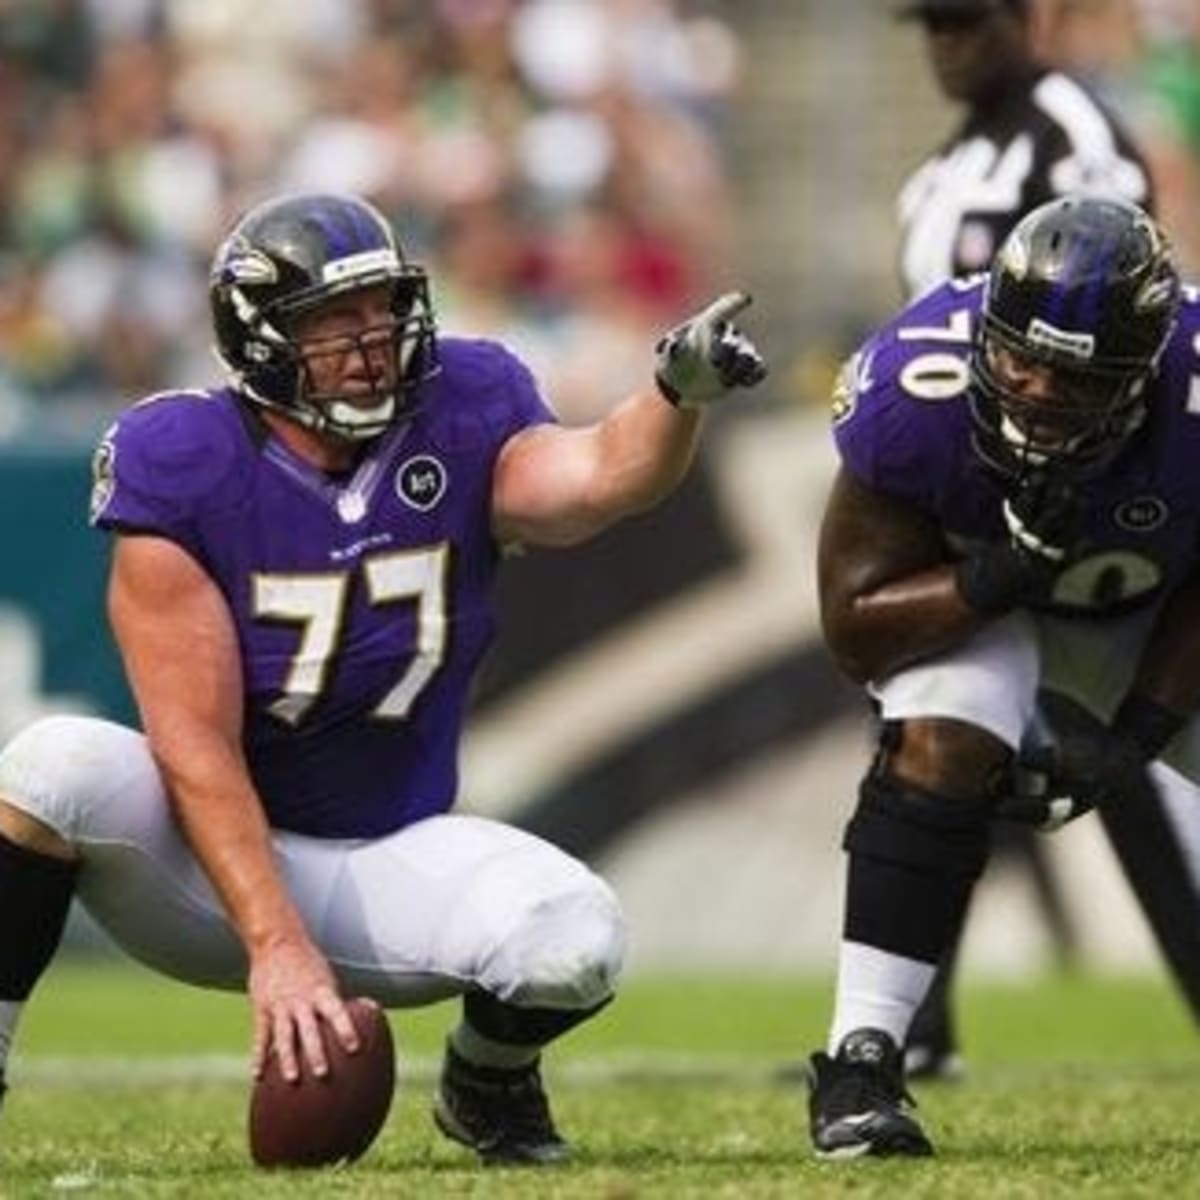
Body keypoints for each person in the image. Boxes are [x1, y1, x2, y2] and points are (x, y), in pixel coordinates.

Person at [0, 191, 766, 1162]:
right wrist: (276, 946)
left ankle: (486, 1083)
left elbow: (594, 481)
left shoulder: (465, 402)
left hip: (382, 856)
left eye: (380, 310)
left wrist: (673, 396)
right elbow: (191, 741)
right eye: (333, 320)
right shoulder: (180, 456)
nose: (370, 341)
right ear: (261, 338)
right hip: (196, 866)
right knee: (50, 765)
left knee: (572, 938)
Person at [806, 194, 1200, 1158]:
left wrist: (1135, 738)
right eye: (1018, 356)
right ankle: (860, 1062)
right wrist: (999, 573)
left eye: (1073, 380)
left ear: (1142, 374)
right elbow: (856, 628)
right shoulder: (918, 382)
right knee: (942, 728)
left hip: (1147, 612)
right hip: (973, 601)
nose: (1030, 389)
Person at [890, 0, 1200, 1083]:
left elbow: (1127, 305)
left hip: (1089, 500)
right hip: (973, 501)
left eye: (968, 23)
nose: (947, 45)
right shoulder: (941, 169)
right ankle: (905, 1026)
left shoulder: (1077, 136)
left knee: (1131, 760)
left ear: (1034, 18)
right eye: (930, 26)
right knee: (925, 732)